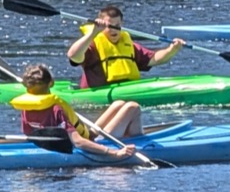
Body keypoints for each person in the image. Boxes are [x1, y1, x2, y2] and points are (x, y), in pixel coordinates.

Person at [66, 5, 182, 138]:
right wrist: (93, 33)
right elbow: (73, 56)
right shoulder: (93, 44)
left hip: (122, 94)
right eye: (110, 25)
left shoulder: (128, 44)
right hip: (99, 95)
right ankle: (102, 139)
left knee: (122, 104)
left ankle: (97, 135)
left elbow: (154, 59)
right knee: (132, 106)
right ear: (102, 25)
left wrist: (172, 50)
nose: (114, 29)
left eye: (117, 25)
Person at [10, 64, 139, 160]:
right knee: (132, 107)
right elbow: (78, 142)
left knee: (119, 104)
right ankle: (140, 143)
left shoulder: (26, 106)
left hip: (85, 135)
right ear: (51, 83)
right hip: (93, 142)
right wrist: (114, 153)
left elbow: (28, 134)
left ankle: (132, 136)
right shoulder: (56, 109)